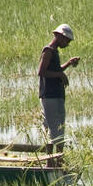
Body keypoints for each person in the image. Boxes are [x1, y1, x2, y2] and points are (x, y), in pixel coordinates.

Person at [37, 23, 79, 154]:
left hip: (52, 96)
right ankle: (57, 162)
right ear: (59, 36)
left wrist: (68, 64)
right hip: (51, 96)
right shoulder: (48, 51)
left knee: (51, 129)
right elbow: (41, 71)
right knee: (57, 130)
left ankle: (52, 161)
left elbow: (54, 70)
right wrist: (60, 75)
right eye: (66, 40)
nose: (67, 44)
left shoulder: (54, 52)